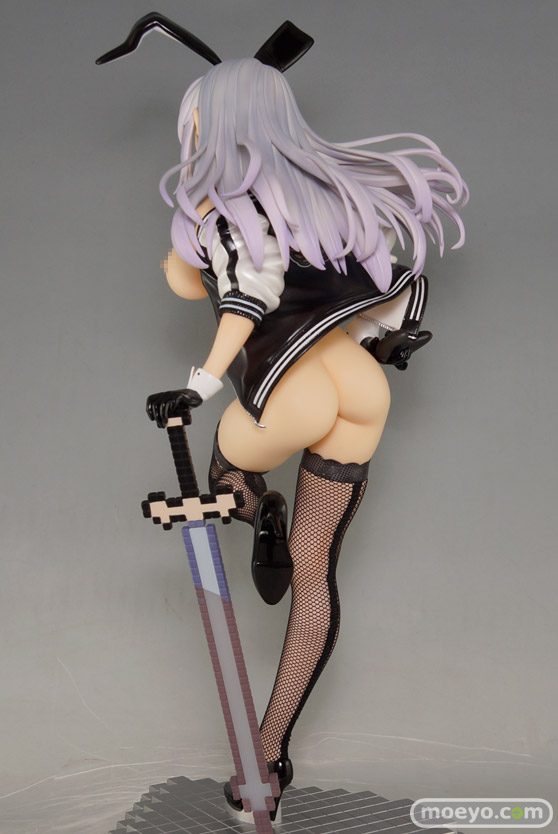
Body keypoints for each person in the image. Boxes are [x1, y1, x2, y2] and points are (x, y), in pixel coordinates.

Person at [144, 54, 467, 817]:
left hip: (291, 389)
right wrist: (387, 338)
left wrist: (202, 381)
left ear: (213, 122)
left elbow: (243, 297)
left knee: (228, 475)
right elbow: (373, 287)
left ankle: (260, 510)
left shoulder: (221, 209)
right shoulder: (322, 194)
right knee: (315, 569)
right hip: (360, 385)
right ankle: (269, 757)